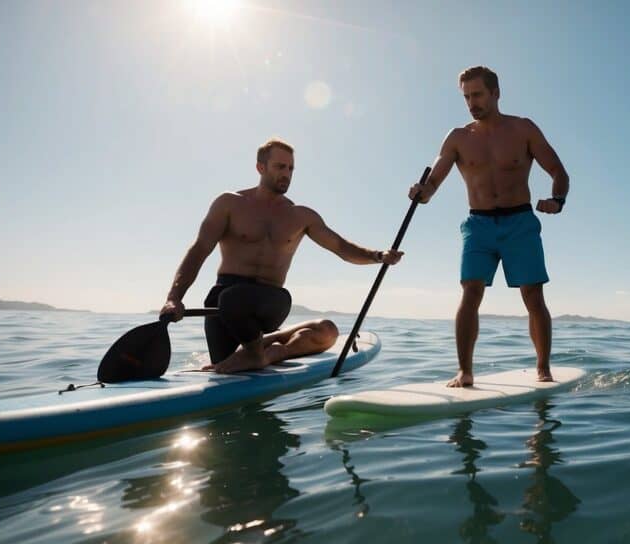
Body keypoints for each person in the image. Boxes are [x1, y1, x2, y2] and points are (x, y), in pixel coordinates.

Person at [160, 138, 403, 374]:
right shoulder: (229, 204)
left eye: (290, 168)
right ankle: (264, 346)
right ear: (260, 167)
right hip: (225, 303)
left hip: (271, 300)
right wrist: (174, 298)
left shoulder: (300, 215)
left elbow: (340, 246)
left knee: (326, 329)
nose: (286, 173)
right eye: (280, 166)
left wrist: (378, 255)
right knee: (230, 324)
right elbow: (200, 249)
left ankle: (268, 353)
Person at [408, 66, 570, 387]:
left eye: (478, 94)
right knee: (470, 290)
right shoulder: (457, 138)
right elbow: (433, 184)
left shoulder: (523, 129)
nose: (472, 103)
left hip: (520, 222)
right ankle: (465, 371)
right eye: (466, 97)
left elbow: (558, 171)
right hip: (478, 225)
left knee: (533, 296)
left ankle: (543, 369)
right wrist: (421, 192)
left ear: (496, 93)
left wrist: (557, 200)